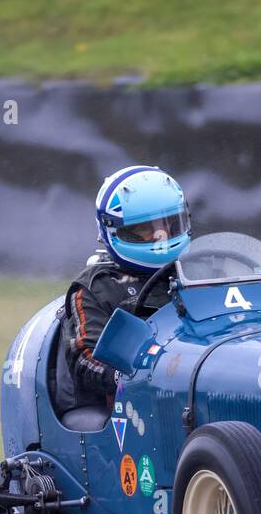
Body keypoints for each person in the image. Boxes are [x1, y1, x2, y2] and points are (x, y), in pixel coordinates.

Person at [57, 166, 191, 413]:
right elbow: (85, 360)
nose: (161, 235)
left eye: (169, 223)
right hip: (133, 406)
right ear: (114, 230)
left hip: (192, 382)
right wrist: (138, 375)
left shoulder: (199, 270)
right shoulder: (96, 287)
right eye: (145, 228)